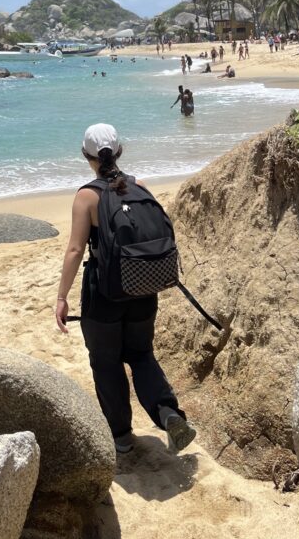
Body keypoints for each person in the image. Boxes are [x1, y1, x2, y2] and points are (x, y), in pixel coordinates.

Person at [55, 124, 196, 454]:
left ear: (86, 156)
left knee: (106, 363)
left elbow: (75, 250)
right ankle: (168, 413)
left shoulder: (87, 196)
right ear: (120, 151)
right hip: (143, 289)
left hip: (104, 295)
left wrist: (61, 297)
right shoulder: (140, 186)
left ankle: (121, 437)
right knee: (141, 354)